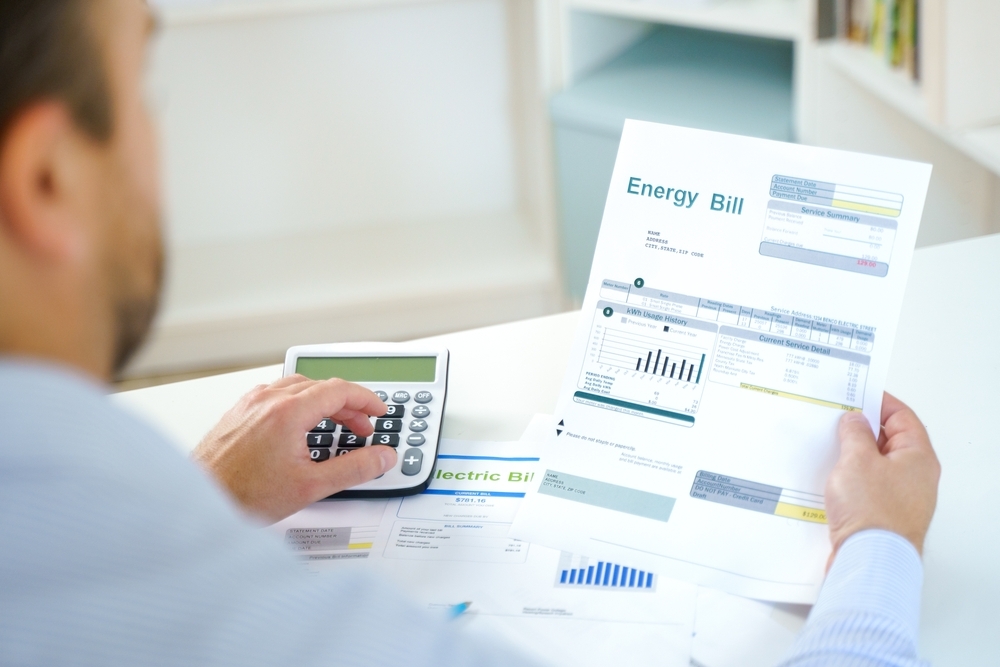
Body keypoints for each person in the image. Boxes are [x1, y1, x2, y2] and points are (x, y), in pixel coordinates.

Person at [0, 1, 940, 665]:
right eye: (144, 85)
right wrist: (878, 547)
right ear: (46, 179)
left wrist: (204, 497)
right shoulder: (254, 621)